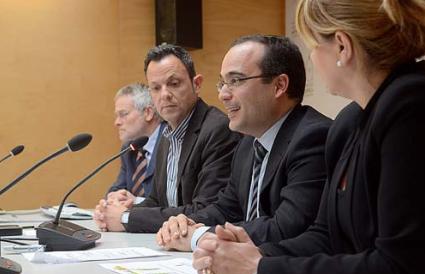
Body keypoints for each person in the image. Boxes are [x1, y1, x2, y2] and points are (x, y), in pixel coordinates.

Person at [193, 0, 425, 274]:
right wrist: (250, 256)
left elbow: (401, 266)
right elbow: (325, 236)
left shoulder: (410, 107)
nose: (312, 58)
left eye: (314, 46)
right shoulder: (349, 121)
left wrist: (258, 271)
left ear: (342, 46)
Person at [156, 35, 332, 252]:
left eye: (236, 81)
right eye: (222, 83)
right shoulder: (248, 143)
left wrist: (199, 236)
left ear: (279, 85)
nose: (223, 94)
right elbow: (225, 209)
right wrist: (183, 224)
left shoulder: (312, 138)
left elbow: (287, 227)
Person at [94, 44, 241, 233]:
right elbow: (157, 201)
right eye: (155, 88)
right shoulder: (166, 134)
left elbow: (205, 210)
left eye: (174, 84)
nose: (164, 95)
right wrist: (116, 212)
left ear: (196, 84)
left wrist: (127, 218)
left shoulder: (217, 130)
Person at [106, 83, 165, 205]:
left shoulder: (171, 143)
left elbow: (173, 203)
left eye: (123, 114)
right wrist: (112, 199)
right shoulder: (129, 148)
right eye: (116, 116)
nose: (117, 122)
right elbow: (118, 188)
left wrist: (136, 202)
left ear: (148, 113)